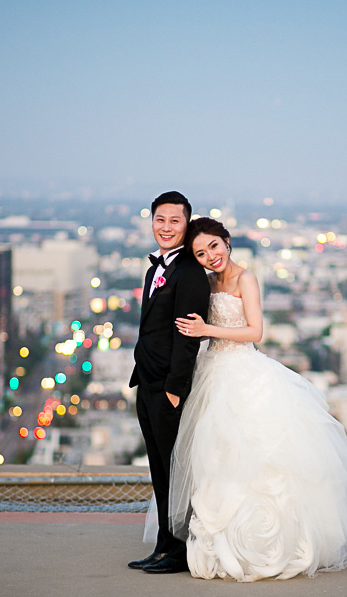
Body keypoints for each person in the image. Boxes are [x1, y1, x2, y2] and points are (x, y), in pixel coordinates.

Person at [170, 217, 347, 582]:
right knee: (215, 458)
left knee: (258, 456)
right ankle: (220, 542)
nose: (210, 255)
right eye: (201, 252)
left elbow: (255, 331)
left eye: (214, 246)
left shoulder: (246, 279)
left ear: (227, 241)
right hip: (212, 373)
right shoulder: (207, 282)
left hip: (243, 372)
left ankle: (265, 544)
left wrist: (205, 329)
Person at [128, 191, 211, 574]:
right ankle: (164, 544)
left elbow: (187, 338)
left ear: (186, 224)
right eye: (160, 220)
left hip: (168, 389)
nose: (166, 227)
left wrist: (175, 390)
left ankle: (178, 550)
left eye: (174, 221)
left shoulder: (191, 274)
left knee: (176, 471)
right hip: (145, 383)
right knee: (159, 470)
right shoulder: (154, 270)